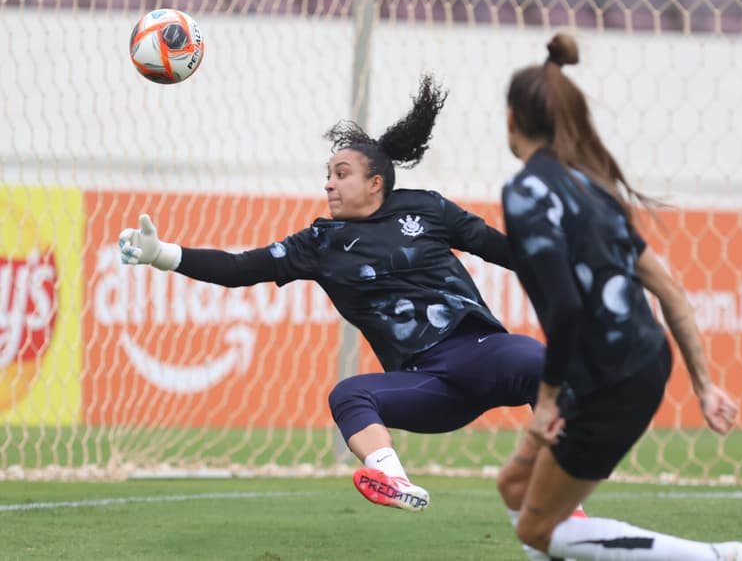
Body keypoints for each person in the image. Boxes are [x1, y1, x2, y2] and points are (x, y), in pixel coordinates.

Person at [117, 75, 585, 523]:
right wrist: (164, 254)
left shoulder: (430, 209)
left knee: (534, 359)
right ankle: (396, 482)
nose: (329, 184)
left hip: (480, 352)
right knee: (349, 393)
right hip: (428, 385)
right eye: (327, 175)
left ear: (375, 182)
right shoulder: (318, 243)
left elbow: (504, 251)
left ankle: (565, 508)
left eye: (341, 174)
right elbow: (241, 269)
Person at [494, 34, 742, 561]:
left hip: (608, 378)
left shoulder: (525, 192)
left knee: (535, 530)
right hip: (636, 361)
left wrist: (545, 402)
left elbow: (565, 308)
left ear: (511, 120)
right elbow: (670, 289)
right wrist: (704, 386)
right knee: (513, 491)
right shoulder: (591, 190)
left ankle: (709, 558)